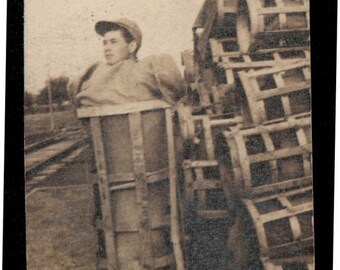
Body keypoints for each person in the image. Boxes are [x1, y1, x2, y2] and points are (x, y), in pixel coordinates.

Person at [70, 18, 186, 107]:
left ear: (132, 46)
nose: (106, 48)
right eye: (104, 43)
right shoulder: (152, 69)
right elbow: (177, 92)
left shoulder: (91, 77)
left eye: (113, 42)